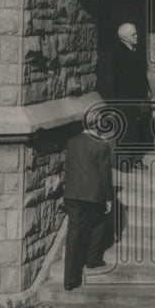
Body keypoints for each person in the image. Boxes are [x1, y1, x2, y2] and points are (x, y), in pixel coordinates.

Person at [63, 108, 114, 291]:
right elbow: (105, 174)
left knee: (74, 233)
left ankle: (69, 279)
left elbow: (68, 168)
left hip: (73, 193)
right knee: (99, 223)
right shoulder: (102, 145)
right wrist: (109, 198)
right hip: (94, 194)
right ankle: (93, 260)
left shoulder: (72, 141)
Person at [111, 21, 152, 167]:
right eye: (133, 34)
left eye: (136, 33)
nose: (137, 36)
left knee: (137, 129)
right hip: (126, 98)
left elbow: (142, 74)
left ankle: (136, 159)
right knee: (126, 130)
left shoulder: (137, 50)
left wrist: (147, 90)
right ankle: (123, 161)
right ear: (125, 37)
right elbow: (121, 79)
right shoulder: (118, 53)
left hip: (139, 97)